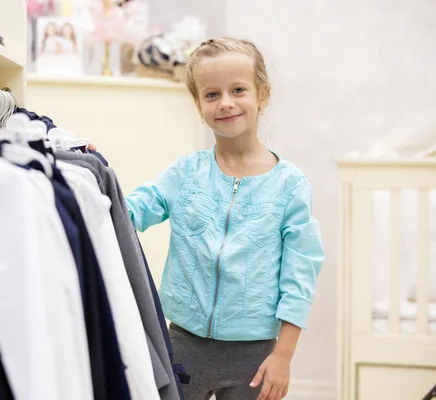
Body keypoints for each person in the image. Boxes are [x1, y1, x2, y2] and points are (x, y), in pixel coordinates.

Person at [124, 37, 325, 400]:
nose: (226, 102)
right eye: (212, 94)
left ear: (262, 94)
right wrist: (95, 176)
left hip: (255, 354)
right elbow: (132, 212)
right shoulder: (186, 173)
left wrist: (283, 355)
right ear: (199, 106)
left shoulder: (290, 186)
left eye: (238, 89)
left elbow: (300, 277)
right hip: (183, 343)